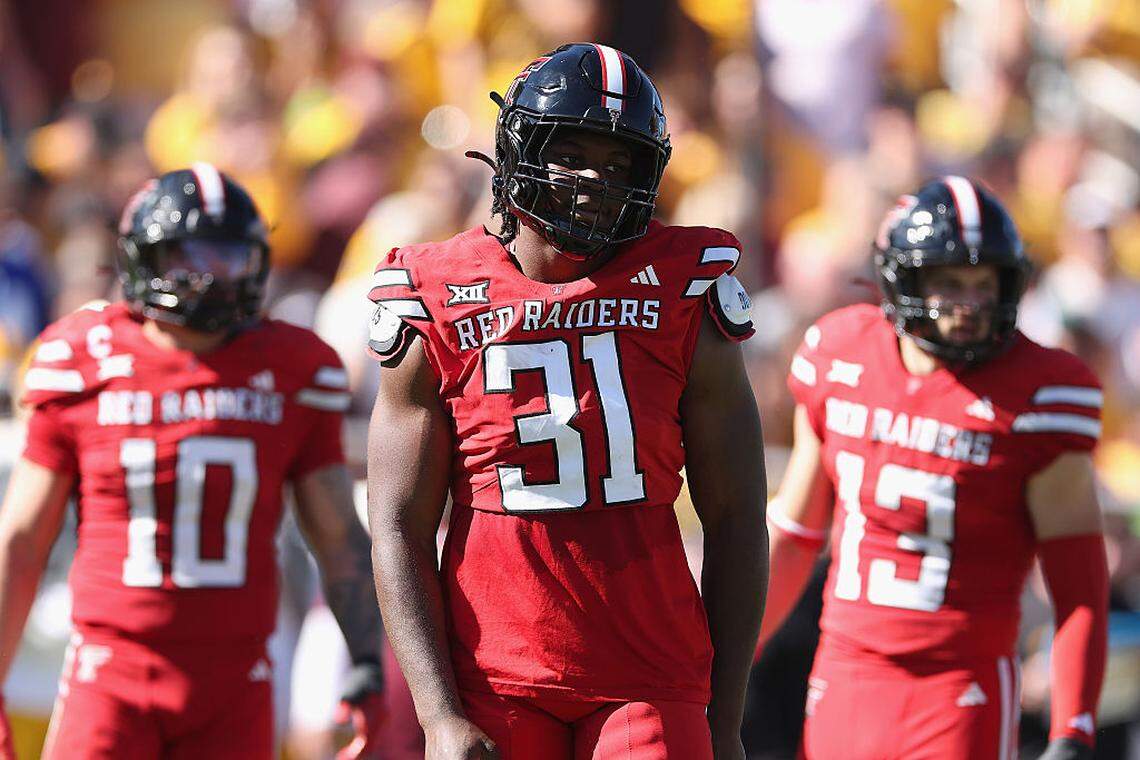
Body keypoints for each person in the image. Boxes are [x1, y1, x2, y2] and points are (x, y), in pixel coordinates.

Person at [365, 43, 767, 760]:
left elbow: (737, 518)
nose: (594, 182)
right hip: (494, 673)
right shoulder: (435, 292)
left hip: (651, 675)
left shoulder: (684, 291)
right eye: (572, 154)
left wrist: (725, 716)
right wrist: (436, 715)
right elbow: (397, 523)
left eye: (619, 166)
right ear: (520, 150)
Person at [0, 165, 386, 760]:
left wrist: (366, 661)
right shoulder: (82, 356)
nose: (208, 277)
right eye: (188, 256)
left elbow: (338, 539)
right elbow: (20, 540)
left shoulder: (295, 368)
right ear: (141, 259)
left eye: (228, 258)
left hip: (234, 679)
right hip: (112, 671)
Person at [759, 176, 1109, 760]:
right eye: (949, 282)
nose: (969, 304)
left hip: (959, 686)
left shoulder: (1041, 395)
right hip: (845, 671)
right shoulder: (840, 355)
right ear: (903, 279)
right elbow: (795, 536)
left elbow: (1078, 587)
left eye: (984, 282)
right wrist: (717, 661)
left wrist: (1072, 727)